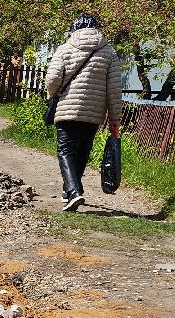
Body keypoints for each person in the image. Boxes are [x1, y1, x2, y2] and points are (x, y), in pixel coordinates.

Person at [44, 13, 122, 212]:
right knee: (82, 152)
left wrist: (53, 95)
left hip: (67, 109)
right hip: (94, 112)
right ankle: (70, 190)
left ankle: (73, 191)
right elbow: (114, 89)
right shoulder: (109, 53)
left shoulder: (65, 48)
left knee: (66, 151)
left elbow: (52, 79)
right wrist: (115, 118)